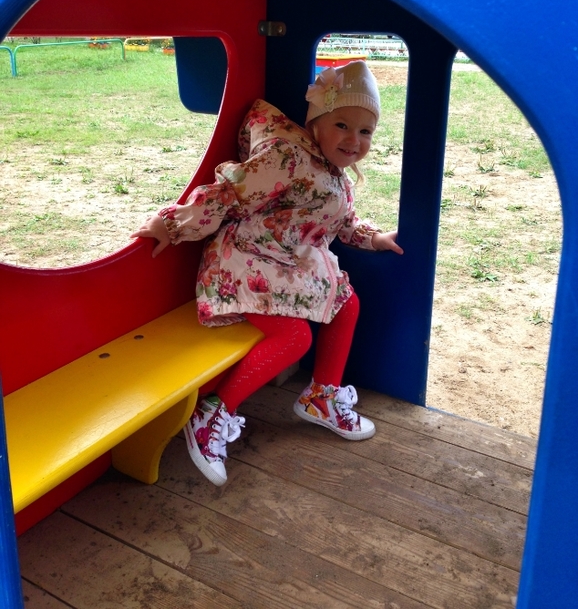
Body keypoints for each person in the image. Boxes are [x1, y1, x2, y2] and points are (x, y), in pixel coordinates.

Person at [131, 60, 403, 487]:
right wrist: (172, 224)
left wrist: (374, 238)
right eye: (342, 125)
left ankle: (321, 397)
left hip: (285, 260)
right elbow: (230, 193)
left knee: (347, 304)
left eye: (365, 131)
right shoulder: (286, 157)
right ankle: (212, 412)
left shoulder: (332, 169)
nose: (354, 140)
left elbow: (341, 221)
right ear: (316, 122)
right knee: (295, 337)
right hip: (243, 261)